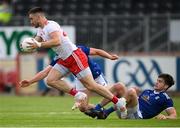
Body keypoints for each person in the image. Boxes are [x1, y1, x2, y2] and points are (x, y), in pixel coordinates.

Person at [25, 7, 126, 113]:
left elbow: (57, 41)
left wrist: (39, 44)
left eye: (32, 19)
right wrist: (30, 44)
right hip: (64, 59)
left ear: (39, 17)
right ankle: (78, 94)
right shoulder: (41, 29)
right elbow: (36, 41)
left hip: (74, 56)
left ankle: (118, 101)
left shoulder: (51, 26)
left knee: (91, 85)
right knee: (50, 80)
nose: (31, 22)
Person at [19, 45, 124, 112]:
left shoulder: (78, 49)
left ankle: (113, 103)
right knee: (83, 107)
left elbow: (96, 51)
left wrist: (109, 56)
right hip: (81, 78)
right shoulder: (59, 57)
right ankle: (100, 110)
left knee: (107, 91)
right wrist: (30, 81)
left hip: (94, 74)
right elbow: (45, 72)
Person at [86, 73, 177, 119]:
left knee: (132, 91)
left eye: (160, 81)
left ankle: (106, 112)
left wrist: (166, 117)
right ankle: (98, 108)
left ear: (166, 86)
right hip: (125, 111)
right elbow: (134, 101)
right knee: (119, 86)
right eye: (157, 80)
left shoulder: (166, 98)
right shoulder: (148, 91)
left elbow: (174, 115)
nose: (156, 82)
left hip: (137, 116)